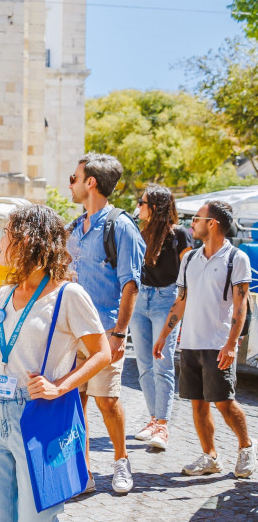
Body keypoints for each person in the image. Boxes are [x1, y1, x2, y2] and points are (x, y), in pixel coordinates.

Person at [0, 204, 111, 521]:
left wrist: (60, 387)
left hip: (38, 416)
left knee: (37, 517)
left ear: (25, 240)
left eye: (4, 234)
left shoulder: (69, 295)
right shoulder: (2, 295)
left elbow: (102, 353)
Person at [153, 200, 256, 478]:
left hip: (218, 343)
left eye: (197, 218)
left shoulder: (236, 258)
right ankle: (210, 457)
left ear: (212, 223)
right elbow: (180, 302)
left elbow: (241, 305)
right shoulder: (189, 258)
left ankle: (246, 447)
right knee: (197, 403)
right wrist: (164, 335)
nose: (191, 224)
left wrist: (232, 344)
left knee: (224, 402)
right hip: (190, 344)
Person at [67, 153, 145, 494]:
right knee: (76, 402)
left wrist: (119, 335)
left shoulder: (121, 226)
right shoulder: (73, 228)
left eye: (74, 177)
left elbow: (131, 285)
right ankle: (82, 472)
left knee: (107, 400)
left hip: (104, 334)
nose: (70, 183)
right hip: (71, 336)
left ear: (90, 183)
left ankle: (121, 461)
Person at [129, 185, 191, 450]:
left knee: (162, 365)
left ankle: (163, 426)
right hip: (139, 300)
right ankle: (153, 419)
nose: (138, 206)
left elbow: (189, 273)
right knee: (143, 364)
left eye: (142, 202)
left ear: (154, 207)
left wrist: (183, 303)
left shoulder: (180, 235)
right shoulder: (138, 233)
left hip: (166, 301)